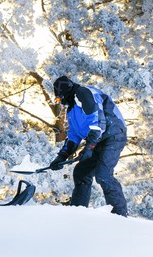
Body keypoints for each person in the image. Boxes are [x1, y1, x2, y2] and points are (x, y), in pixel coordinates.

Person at [50, 76, 128, 217]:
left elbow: (98, 123)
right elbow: (74, 136)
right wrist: (61, 157)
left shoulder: (83, 94)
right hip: (98, 140)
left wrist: (89, 147)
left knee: (103, 174)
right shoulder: (72, 109)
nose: (60, 102)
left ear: (64, 93)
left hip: (113, 136)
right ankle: (78, 213)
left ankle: (120, 216)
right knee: (81, 172)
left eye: (59, 98)